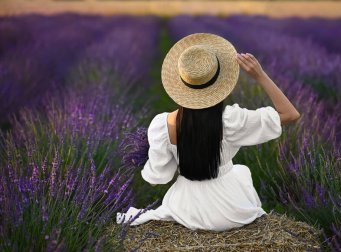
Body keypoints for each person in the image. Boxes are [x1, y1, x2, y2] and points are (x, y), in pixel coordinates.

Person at [119, 33, 300, 231]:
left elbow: (158, 177)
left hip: (186, 210)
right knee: (241, 172)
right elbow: (290, 114)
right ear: (220, 84)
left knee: (240, 172)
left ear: (181, 83)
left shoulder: (162, 125)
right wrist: (260, 76)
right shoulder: (231, 121)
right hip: (231, 211)